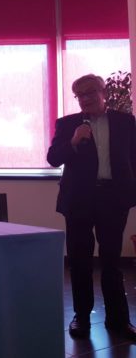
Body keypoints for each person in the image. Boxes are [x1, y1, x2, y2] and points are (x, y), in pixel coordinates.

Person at [47, 74, 136, 341]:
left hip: (113, 199)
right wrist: (73, 142)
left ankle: (118, 319)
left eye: (89, 93)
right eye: (80, 95)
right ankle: (82, 317)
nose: (85, 99)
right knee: (79, 260)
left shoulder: (125, 122)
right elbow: (53, 158)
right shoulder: (67, 124)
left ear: (103, 92)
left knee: (112, 261)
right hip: (78, 200)